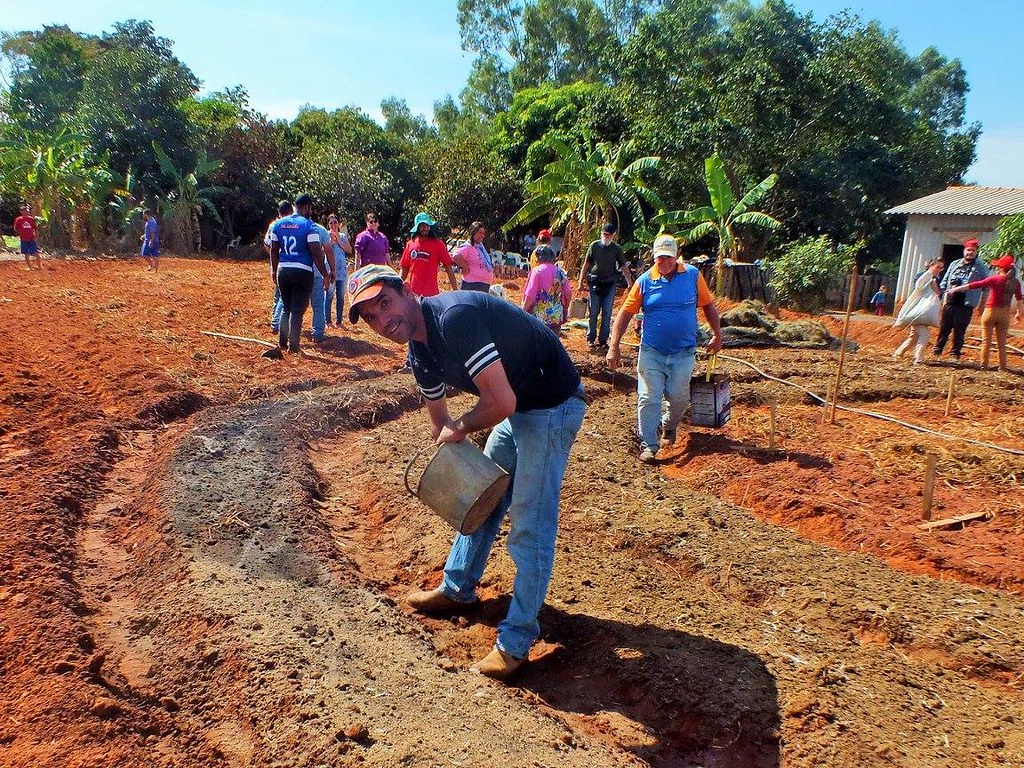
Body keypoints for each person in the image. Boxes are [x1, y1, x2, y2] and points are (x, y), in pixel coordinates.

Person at [347, 264, 586, 680]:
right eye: (370, 317)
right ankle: (458, 588)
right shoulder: (419, 353)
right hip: (517, 405)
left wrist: (461, 427)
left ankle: (515, 641)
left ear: (405, 291)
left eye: (384, 303)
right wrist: (453, 471)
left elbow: (500, 403)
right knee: (482, 494)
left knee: (530, 524)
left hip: (551, 405)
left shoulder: (454, 319)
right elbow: (440, 423)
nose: (382, 321)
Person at [606, 234, 723, 464]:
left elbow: (708, 305)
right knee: (648, 397)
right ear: (654, 257)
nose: (664, 262)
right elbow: (625, 313)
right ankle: (649, 444)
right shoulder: (645, 281)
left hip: (683, 352)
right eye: (660, 258)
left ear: (676, 256)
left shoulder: (692, 276)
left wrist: (717, 335)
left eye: (668, 258)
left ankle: (668, 426)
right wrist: (614, 345)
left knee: (678, 398)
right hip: (652, 352)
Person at [268, 194, 330, 354]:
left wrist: (274, 269)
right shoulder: (309, 226)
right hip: (302, 271)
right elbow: (316, 253)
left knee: (286, 307)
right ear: (306, 207)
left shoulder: (278, 224)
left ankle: (282, 342)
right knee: (297, 310)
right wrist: (325, 274)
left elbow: (274, 249)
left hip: (284, 269)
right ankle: (293, 346)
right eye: (310, 208)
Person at [946, 254, 1023, 372]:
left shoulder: (995, 279)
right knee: (1001, 343)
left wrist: (955, 289)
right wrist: (1019, 313)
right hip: (1005, 314)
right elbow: (1019, 299)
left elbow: (974, 285)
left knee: (986, 341)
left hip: (990, 311)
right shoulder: (1016, 283)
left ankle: (984, 366)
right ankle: (1002, 368)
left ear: (1001, 268)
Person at [578, 222, 633, 352]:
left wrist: (630, 283)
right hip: (595, 283)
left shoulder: (616, 249)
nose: (606, 237)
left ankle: (603, 340)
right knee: (593, 312)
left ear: (613, 236)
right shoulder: (594, 246)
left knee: (607, 313)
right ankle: (591, 339)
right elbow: (586, 265)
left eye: (608, 235)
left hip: (610, 284)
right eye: (604, 234)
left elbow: (624, 267)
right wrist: (580, 282)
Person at [933, 239, 988, 361]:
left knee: (960, 329)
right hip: (950, 301)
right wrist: (941, 297)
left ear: (976, 252)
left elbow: (986, 287)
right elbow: (944, 282)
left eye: (973, 250)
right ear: (964, 251)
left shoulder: (981, 267)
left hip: (966, 303)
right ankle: (937, 351)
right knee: (944, 328)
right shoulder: (954, 264)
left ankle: (954, 353)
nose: (970, 253)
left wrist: (982, 305)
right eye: (968, 250)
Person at [892, 259, 944, 365]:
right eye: (937, 267)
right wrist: (931, 283)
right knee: (925, 334)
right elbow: (919, 286)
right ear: (931, 265)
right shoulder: (927, 275)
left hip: (920, 312)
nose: (939, 270)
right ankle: (918, 358)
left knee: (914, 337)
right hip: (917, 311)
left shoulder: (933, 278)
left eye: (941, 268)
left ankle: (898, 353)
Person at [400, 212, 457, 297]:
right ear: (417, 227)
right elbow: (404, 268)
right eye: (422, 225)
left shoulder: (438, 244)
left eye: (427, 225)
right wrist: (397, 286)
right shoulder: (410, 244)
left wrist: (455, 290)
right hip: (413, 294)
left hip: (432, 295)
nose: (425, 228)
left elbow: (448, 267)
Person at [522, 245, 571, 334]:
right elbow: (568, 292)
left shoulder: (537, 271)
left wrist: (523, 311)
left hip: (539, 317)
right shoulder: (560, 272)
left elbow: (530, 294)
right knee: (554, 343)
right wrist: (565, 308)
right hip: (556, 316)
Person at [265, 200, 294, 333]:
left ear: (279, 212)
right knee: (285, 294)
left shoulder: (274, 225)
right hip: (288, 263)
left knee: (278, 293)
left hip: (277, 262)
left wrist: (274, 257)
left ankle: (275, 320)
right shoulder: (291, 225)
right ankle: (277, 322)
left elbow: (267, 244)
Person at [308, 216, 334, 343]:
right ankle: (317, 333)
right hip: (317, 273)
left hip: (301, 271)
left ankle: (290, 333)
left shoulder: (296, 228)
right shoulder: (320, 230)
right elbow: (328, 251)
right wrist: (331, 271)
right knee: (318, 305)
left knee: (294, 305)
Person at [325, 214, 352, 327]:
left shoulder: (342, 236)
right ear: (328, 224)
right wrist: (331, 241)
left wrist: (339, 240)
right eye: (331, 222)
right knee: (329, 295)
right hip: (331, 269)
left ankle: (339, 321)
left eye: (335, 222)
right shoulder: (326, 235)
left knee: (340, 296)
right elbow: (323, 249)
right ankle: (328, 321)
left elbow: (349, 250)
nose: (333, 224)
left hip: (342, 270)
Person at [452, 221, 494, 292]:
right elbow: (456, 256)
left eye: (483, 233)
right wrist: (465, 266)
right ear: (473, 233)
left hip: (483, 286)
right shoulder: (468, 247)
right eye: (480, 233)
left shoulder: (480, 248)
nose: (483, 236)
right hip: (471, 285)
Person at [13, 204, 41, 271]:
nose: (25, 211)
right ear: (21, 211)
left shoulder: (31, 219)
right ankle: (30, 267)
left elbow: (35, 228)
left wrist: (36, 237)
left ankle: (39, 266)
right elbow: (15, 228)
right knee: (26, 253)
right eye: (24, 210)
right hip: (24, 239)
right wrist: (21, 233)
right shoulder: (19, 219)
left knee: (36, 252)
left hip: (31, 238)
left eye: (26, 210)